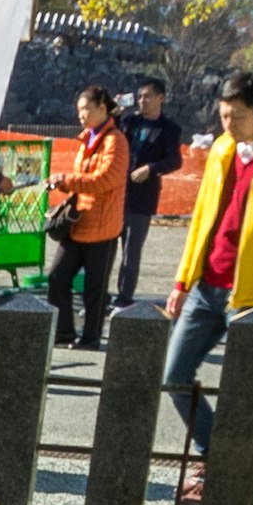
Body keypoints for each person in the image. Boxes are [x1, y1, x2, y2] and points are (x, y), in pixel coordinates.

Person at [159, 71, 253, 505]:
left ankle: (234, 476)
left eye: (238, 116)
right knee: (173, 377)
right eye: (224, 114)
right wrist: (182, 281)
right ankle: (213, 453)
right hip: (207, 287)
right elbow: (202, 220)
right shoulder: (223, 149)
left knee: (249, 393)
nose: (228, 124)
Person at [44, 86, 128, 349]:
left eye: (86, 109)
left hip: (103, 226)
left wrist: (67, 181)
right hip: (79, 221)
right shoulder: (88, 138)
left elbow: (106, 179)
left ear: (103, 109)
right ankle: (64, 332)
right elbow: (85, 179)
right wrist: (64, 183)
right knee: (57, 277)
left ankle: (91, 337)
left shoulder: (115, 140)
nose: (81, 114)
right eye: (79, 109)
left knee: (94, 289)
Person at [118, 77, 185, 301]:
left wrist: (151, 169)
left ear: (160, 98)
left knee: (131, 251)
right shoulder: (129, 122)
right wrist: (115, 113)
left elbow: (175, 160)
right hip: (117, 194)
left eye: (147, 96)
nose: (142, 101)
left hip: (142, 198)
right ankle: (98, 299)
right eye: (139, 97)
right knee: (105, 250)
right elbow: (111, 138)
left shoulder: (169, 129)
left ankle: (124, 297)